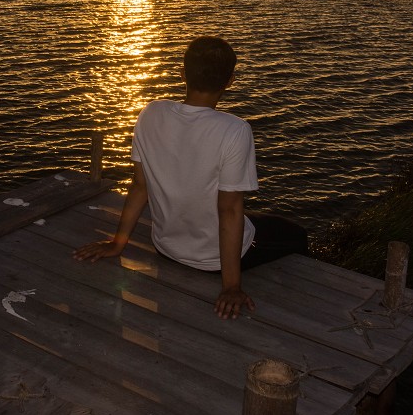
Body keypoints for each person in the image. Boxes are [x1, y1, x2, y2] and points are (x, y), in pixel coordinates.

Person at [73, 35, 307, 320]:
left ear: (182, 73)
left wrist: (117, 243)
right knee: (296, 235)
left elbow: (139, 187)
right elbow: (230, 209)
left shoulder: (151, 113)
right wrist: (231, 286)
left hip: (166, 248)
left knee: (251, 216)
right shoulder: (234, 130)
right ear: (230, 80)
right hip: (212, 262)